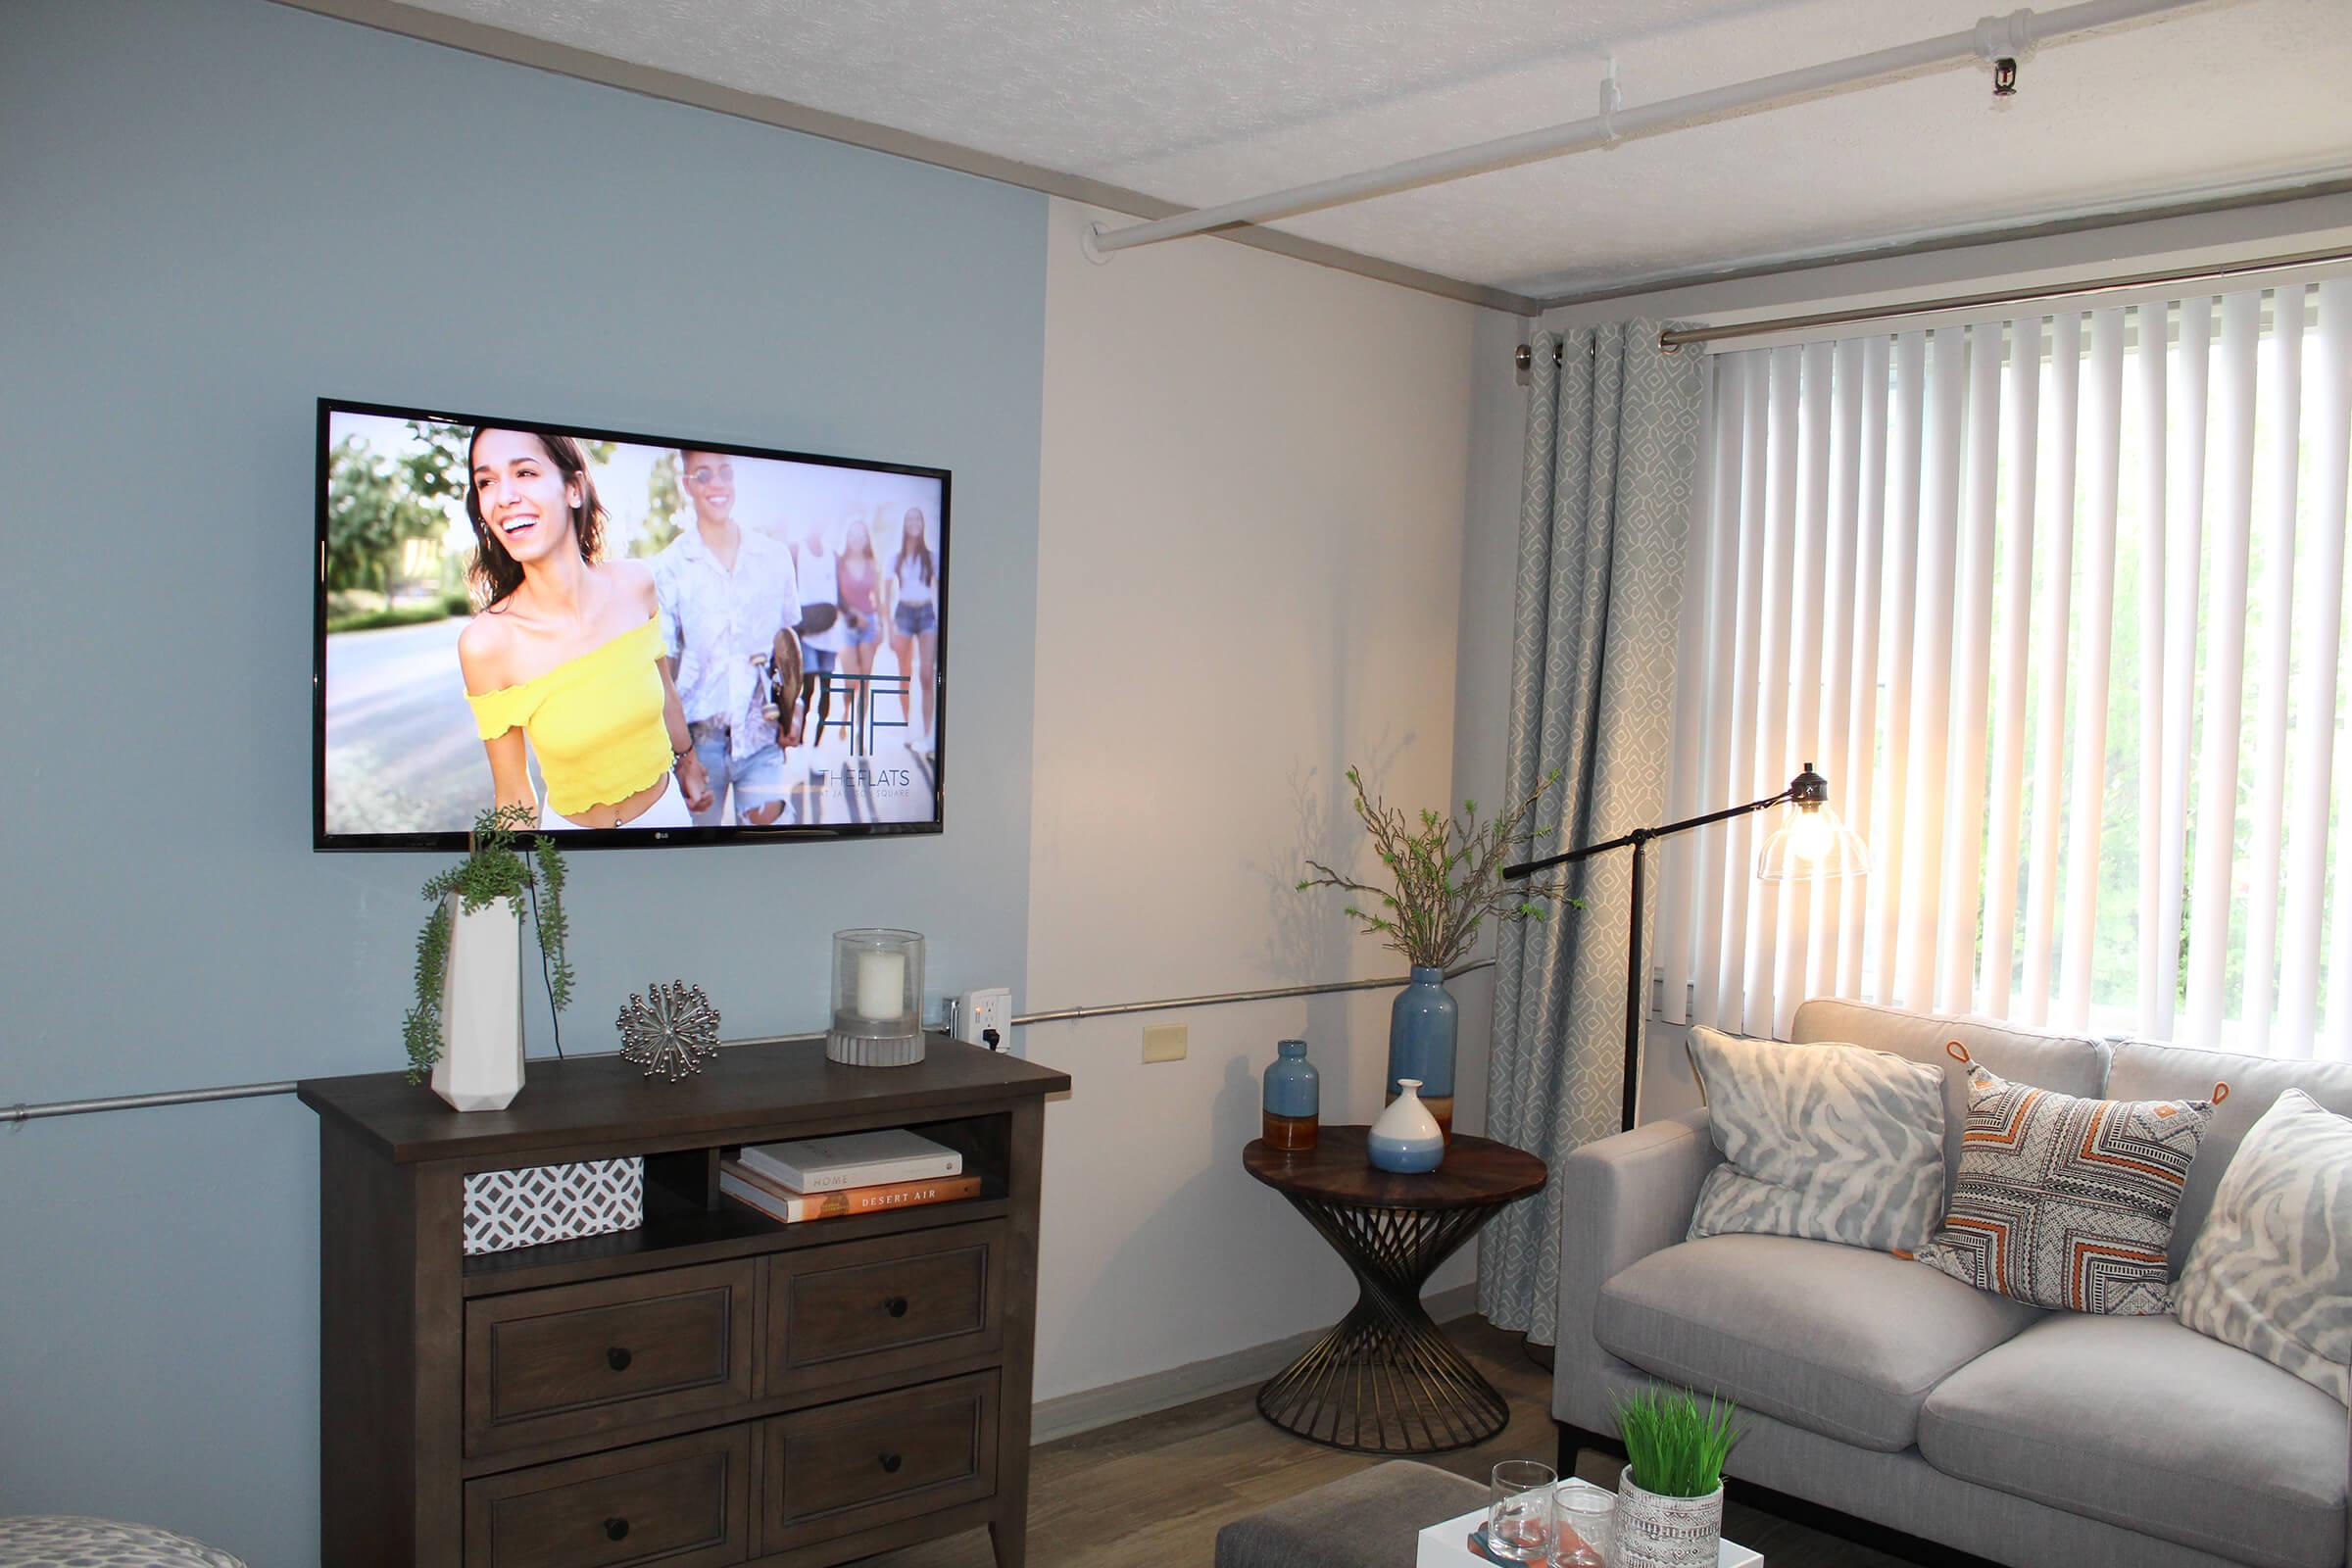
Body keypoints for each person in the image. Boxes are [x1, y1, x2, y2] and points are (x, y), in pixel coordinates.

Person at [457, 427, 709, 830]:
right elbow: (513, 795)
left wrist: (689, 761)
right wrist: (514, 885)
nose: (503, 497)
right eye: (486, 482)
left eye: (524, 473)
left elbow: (666, 695)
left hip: (669, 822)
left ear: (574, 488)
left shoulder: (636, 584)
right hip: (574, 854)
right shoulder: (486, 644)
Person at [649, 448, 803, 828]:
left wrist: (793, 708)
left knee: (773, 853)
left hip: (761, 739)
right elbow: (661, 671)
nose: (716, 484)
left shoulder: (775, 557)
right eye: (702, 475)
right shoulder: (669, 568)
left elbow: (789, 652)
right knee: (696, 863)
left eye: (725, 472)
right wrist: (683, 756)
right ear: (687, 485)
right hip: (698, 747)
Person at [886, 505, 939, 749]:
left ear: (923, 523)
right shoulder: (895, 557)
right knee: (904, 674)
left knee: (927, 673)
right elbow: (887, 593)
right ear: (905, 524)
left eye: (918, 518)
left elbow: (941, 589)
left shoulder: (932, 557)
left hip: (926, 612)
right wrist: (889, 628)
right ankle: (907, 728)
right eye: (910, 519)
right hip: (904, 613)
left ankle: (928, 735)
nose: (914, 522)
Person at [835, 512, 885, 683]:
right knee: (849, 681)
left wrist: (881, 625)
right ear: (847, 537)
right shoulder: (839, 563)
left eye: (861, 535)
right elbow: (836, 597)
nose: (857, 539)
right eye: (853, 535)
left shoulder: (872, 564)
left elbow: (878, 598)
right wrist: (853, 614)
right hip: (846, 625)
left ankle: (862, 710)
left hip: (869, 625)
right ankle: (847, 708)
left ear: (866, 539)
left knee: (865, 679)